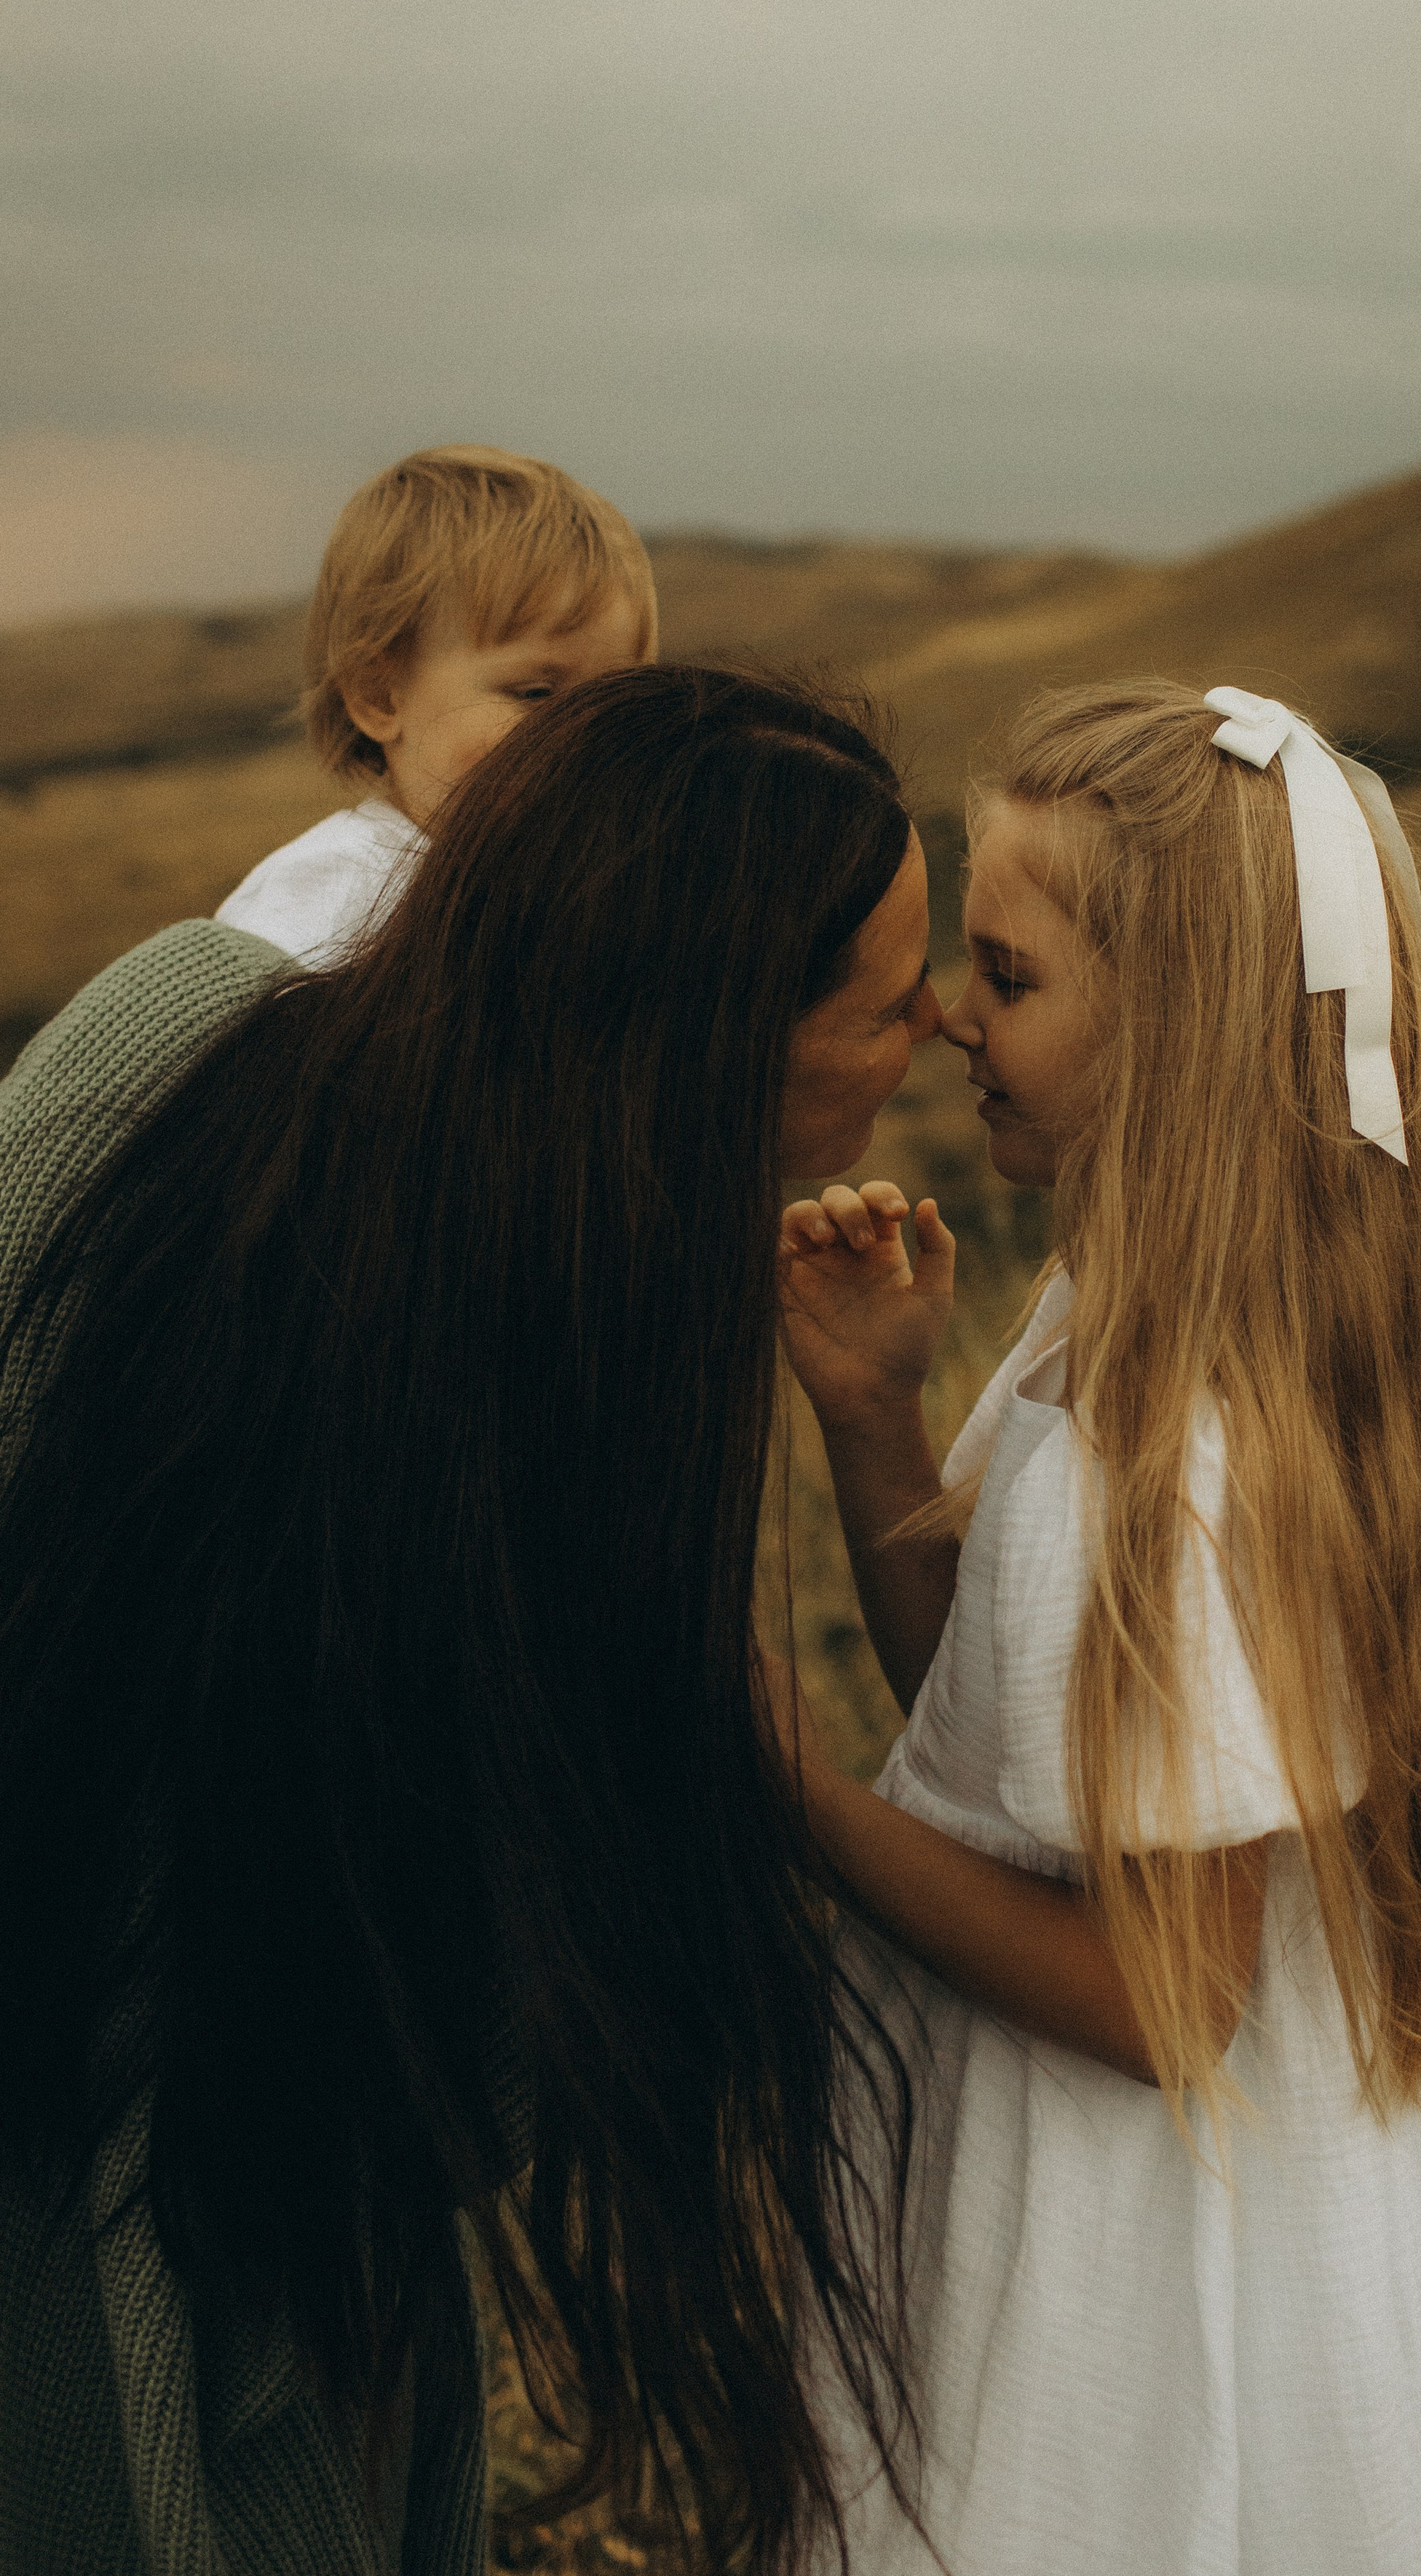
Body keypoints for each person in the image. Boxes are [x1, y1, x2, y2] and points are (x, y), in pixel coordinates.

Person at [0, 666, 941, 2576]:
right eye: (894, 1001)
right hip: (113, 2144)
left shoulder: (569, 1265)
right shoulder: (215, 1047)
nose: (924, 1042)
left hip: (283, 2145)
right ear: (720, 1038)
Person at [776, 678, 1421, 2574]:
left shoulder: (1188, 1450)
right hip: (1139, 2169)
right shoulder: (1106, 1319)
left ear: (1182, 1029)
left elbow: (1167, 2006)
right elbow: (1018, 1753)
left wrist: (779, 1779)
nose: (954, 1013)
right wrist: (880, 1422)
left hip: (1144, 2225)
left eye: (1009, 977)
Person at [215, 443, 657, 968]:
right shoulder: (328, 900)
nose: (589, 732)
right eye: (535, 694)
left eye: (617, 698)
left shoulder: (599, 879)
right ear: (379, 698)